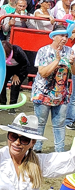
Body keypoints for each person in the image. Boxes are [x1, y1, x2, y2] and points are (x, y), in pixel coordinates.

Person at [31, 25, 74, 153]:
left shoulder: (69, 51)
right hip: (43, 93)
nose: (64, 39)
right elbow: (43, 73)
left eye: (66, 36)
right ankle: (36, 149)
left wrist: (72, 63)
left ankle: (59, 151)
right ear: (54, 36)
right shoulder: (43, 51)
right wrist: (56, 61)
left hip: (61, 94)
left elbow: (74, 72)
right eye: (61, 35)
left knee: (60, 124)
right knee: (40, 122)